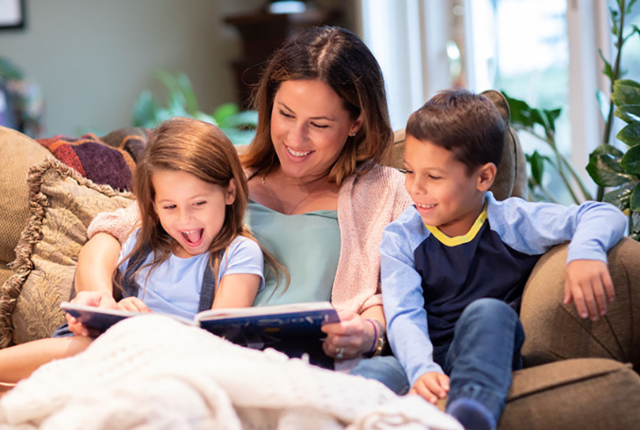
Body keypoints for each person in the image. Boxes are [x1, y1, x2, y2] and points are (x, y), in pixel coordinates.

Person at [69, 26, 412, 392]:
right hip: (208, 363)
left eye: (319, 124)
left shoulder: (385, 191)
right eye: (286, 114)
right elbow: (110, 232)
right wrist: (100, 302)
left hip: (310, 371)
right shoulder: (229, 173)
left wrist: (370, 332)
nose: (296, 139)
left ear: (356, 122)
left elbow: (401, 289)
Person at [380, 89, 627, 430]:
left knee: (489, 312)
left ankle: (468, 416)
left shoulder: (512, 221)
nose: (415, 188)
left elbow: (601, 213)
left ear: (484, 177)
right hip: (423, 358)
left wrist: (586, 252)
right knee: (371, 372)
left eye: (433, 177)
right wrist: (422, 369)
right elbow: (403, 314)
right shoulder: (401, 238)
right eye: (409, 172)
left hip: (487, 350)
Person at [0, 117, 270, 383]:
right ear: (152, 204)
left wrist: (148, 326)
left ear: (229, 192)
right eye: (169, 207)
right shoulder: (141, 243)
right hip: (118, 353)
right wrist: (119, 310)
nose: (185, 220)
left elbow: (221, 336)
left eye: (198, 203)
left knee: (94, 350)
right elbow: (107, 304)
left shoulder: (240, 253)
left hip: (180, 362)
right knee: (85, 344)